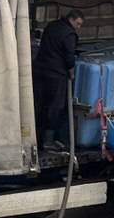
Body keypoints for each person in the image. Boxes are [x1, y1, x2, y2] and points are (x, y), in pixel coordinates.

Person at [32, 9, 84, 150]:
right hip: (56, 74)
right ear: (72, 20)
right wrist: (71, 73)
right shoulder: (69, 34)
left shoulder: (51, 26)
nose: (78, 27)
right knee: (55, 106)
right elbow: (69, 56)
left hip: (38, 70)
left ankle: (33, 139)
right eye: (78, 23)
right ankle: (48, 141)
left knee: (38, 104)